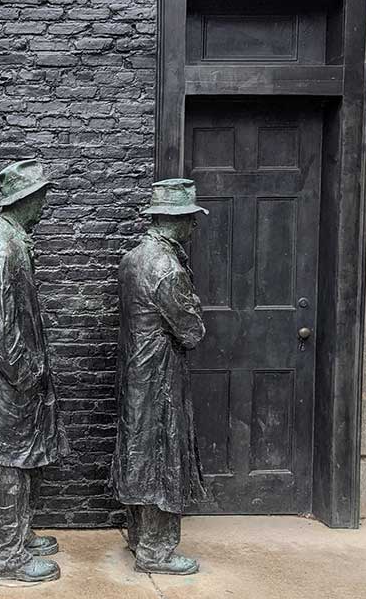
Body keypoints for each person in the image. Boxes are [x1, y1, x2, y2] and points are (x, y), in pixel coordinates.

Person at [0, 159, 69, 583]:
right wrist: (25, 374)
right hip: (9, 381)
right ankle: (7, 555)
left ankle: (19, 534)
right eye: (40, 196)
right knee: (10, 461)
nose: (44, 204)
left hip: (14, 379)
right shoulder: (4, 247)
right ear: (25, 200)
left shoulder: (13, 240)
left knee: (21, 459)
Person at [113, 178, 209, 575]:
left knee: (140, 453)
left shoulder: (134, 257)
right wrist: (196, 306)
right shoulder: (167, 267)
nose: (193, 228)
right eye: (190, 219)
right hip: (159, 378)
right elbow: (192, 331)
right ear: (176, 219)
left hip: (137, 371)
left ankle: (140, 537)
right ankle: (155, 551)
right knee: (160, 458)